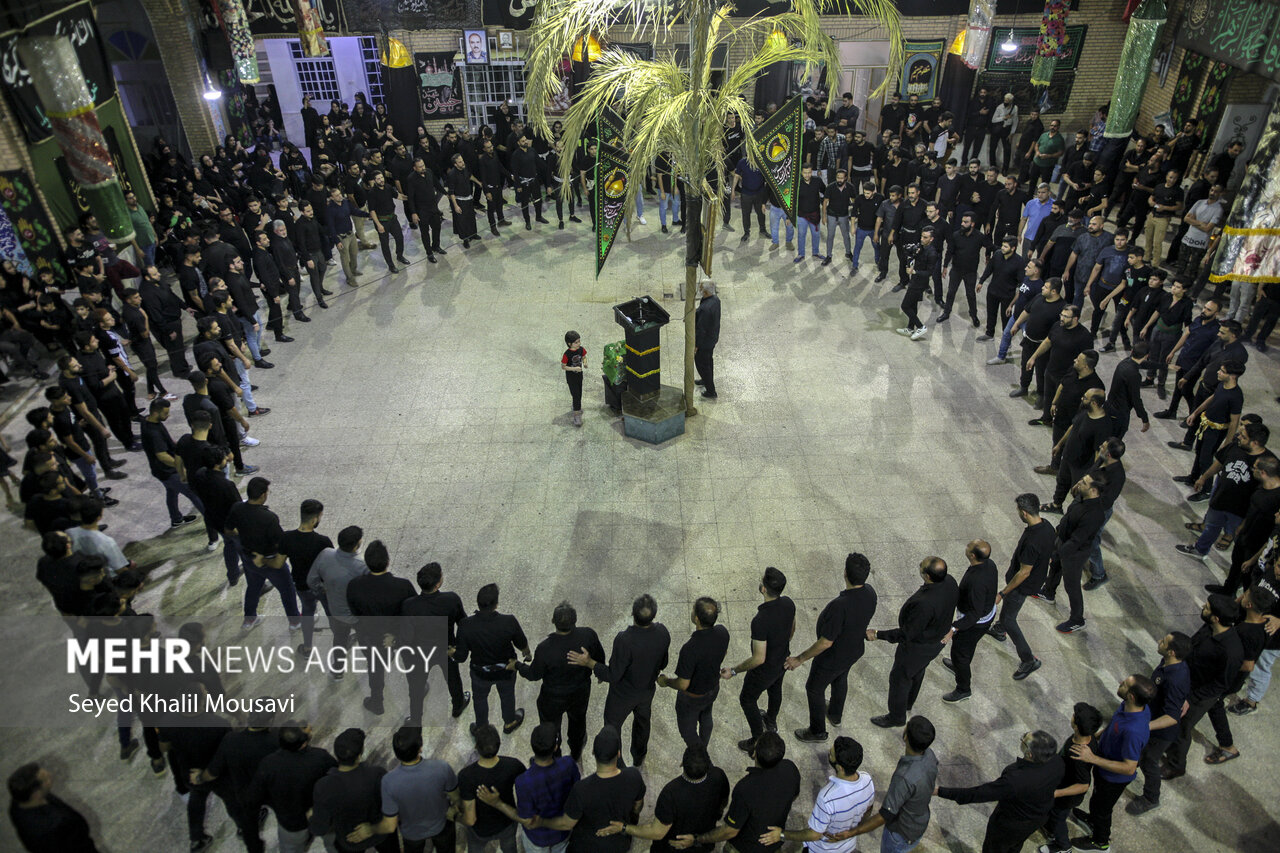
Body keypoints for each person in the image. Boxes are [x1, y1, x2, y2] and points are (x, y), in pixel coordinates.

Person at [569, 594, 670, 767]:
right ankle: (639, 757)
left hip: (622, 695)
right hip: (646, 691)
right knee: (643, 723)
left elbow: (613, 675)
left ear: (632, 613)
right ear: (654, 615)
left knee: (612, 725)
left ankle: (618, 762)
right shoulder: (663, 632)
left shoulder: (624, 640)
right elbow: (664, 663)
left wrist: (589, 662)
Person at [786, 553, 877, 742]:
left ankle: (817, 732)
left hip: (832, 657)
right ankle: (835, 714)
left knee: (814, 689)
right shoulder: (870, 593)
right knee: (840, 678)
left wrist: (799, 659)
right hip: (853, 650)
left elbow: (826, 642)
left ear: (845, 573)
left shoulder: (840, 606)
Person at [669, 731, 798, 853]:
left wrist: (697, 839)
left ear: (754, 753)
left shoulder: (746, 788)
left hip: (746, 848)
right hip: (773, 845)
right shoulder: (791, 769)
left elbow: (730, 831)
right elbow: (793, 796)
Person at [867, 556, 959, 727]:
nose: (919, 565)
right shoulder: (950, 582)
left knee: (899, 679)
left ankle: (896, 717)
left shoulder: (925, 604)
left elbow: (907, 634)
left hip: (918, 647)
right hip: (935, 642)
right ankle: (908, 702)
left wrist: (878, 634)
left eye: (921, 566)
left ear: (928, 576)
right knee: (918, 671)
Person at [936, 730, 1063, 853]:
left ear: (1030, 754)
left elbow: (979, 793)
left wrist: (940, 791)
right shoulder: (1057, 762)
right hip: (1038, 818)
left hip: (1011, 824)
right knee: (1015, 845)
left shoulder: (1016, 780)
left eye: (1024, 739)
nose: (1022, 739)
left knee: (995, 848)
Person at [1069, 675, 1156, 851]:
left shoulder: (1133, 731)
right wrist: (1097, 736)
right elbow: (1114, 725)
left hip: (1112, 779)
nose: (1120, 683)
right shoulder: (1129, 706)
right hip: (1104, 766)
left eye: (1124, 684)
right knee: (1096, 803)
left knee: (1102, 810)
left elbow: (1129, 767)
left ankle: (1100, 842)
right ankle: (1092, 820)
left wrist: (1092, 758)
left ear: (1131, 696)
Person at [518, 601, 605, 762]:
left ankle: (555, 754)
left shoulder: (545, 648)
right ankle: (576, 751)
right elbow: (599, 655)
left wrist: (518, 666)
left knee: (550, 727)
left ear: (553, 621)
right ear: (575, 621)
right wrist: (600, 673)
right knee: (578, 721)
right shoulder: (588, 635)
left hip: (552, 698)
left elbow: (533, 674)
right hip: (580, 693)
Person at [720, 567, 794, 754]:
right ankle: (771, 720)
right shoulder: (788, 603)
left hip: (764, 671)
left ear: (764, 589)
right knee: (775, 690)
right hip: (782, 661)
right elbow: (792, 627)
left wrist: (734, 670)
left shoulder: (761, 620)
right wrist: (781, 646)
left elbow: (758, 658)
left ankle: (757, 740)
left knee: (747, 700)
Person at [355, 727, 458, 853]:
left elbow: (390, 826)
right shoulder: (441, 768)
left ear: (396, 754)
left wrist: (371, 829)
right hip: (441, 825)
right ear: (420, 748)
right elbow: (456, 797)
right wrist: (455, 810)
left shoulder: (388, 781)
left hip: (411, 833)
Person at [542, 726, 646, 849]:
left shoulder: (581, 789)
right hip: (619, 844)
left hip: (587, 845)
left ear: (593, 752)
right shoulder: (634, 776)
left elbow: (567, 824)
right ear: (618, 754)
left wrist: (541, 821)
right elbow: (637, 807)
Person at [1126, 632, 1192, 816]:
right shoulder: (1169, 664)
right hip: (1151, 716)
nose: (1158, 641)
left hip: (1160, 732)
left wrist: (1145, 727)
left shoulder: (1175, 679)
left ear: (1171, 652)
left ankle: (1151, 798)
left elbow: (1171, 717)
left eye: (1163, 641)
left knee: (1149, 762)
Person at [347, 540, 416, 715]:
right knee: (409, 660)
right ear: (388, 561)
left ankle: (377, 702)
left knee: (375, 667)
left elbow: (355, 612)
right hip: (397, 635)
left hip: (369, 637)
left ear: (367, 563)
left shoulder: (354, 586)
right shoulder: (403, 586)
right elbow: (413, 612)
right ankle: (419, 688)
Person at [247, 722, 339, 853]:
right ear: (304, 744)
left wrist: (276, 804)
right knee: (334, 844)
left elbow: (254, 796)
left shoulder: (268, 764)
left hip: (291, 822)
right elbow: (337, 779)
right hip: (322, 815)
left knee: (291, 848)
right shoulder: (320, 757)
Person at [225, 476, 301, 632]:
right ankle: (294, 621)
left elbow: (228, 530)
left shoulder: (237, 508)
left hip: (249, 558)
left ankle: (249, 619)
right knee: (287, 590)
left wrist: (244, 536)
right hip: (269, 560)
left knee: (253, 587)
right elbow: (280, 543)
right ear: (262, 495)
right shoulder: (269, 518)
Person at [454, 582, 532, 734]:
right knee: (507, 695)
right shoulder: (508, 621)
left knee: (480, 699)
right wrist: (527, 653)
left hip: (480, 673)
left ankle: (481, 728)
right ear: (496, 604)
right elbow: (522, 643)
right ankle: (509, 722)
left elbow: (461, 657)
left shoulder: (465, 625)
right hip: (506, 670)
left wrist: (451, 652)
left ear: (478, 603)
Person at [402, 561, 472, 722]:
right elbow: (463, 623)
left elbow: (407, 634)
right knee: (453, 678)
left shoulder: (409, 605)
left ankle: (415, 719)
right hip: (446, 649)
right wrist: (460, 647)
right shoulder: (451, 599)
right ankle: (458, 705)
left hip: (420, 652)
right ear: (438, 583)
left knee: (416, 686)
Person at [307, 728, 397, 853]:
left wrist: (311, 816)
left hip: (350, 841)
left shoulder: (324, 786)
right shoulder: (377, 774)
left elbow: (319, 829)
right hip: (380, 833)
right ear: (359, 756)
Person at [658, 596, 730, 749]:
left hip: (692, 698)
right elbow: (723, 653)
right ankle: (704, 744)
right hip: (713, 688)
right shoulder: (722, 632)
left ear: (696, 619)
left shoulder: (690, 649)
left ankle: (699, 754)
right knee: (706, 716)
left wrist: (666, 681)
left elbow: (683, 684)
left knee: (687, 730)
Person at [508, 723, 580, 853]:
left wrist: (497, 803)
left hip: (538, 838)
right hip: (562, 832)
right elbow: (577, 792)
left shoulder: (523, 782)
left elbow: (526, 818)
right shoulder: (568, 764)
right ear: (555, 747)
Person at [1041, 703, 1103, 853]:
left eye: (1074, 716)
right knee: (1053, 813)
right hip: (1062, 782)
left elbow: (1083, 785)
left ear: (1076, 726)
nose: (1072, 716)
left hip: (1066, 796)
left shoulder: (1078, 755)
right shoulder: (1087, 738)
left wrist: (1056, 793)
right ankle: (1049, 827)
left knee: (1058, 818)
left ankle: (1063, 846)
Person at [941, 540, 998, 703]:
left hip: (974, 624)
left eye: (968, 546)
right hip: (986, 614)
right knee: (967, 648)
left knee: (960, 653)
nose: (966, 545)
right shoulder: (989, 564)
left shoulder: (976, 582)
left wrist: (954, 628)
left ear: (972, 555)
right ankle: (958, 666)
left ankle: (963, 689)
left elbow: (974, 614)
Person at [458, 724, 526, 853]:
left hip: (481, 830)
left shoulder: (466, 776)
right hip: (507, 823)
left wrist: (456, 816)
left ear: (476, 746)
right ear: (499, 744)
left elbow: (471, 820)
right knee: (509, 848)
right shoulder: (514, 765)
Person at [7, 763, 100, 853]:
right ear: (36, 794)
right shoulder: (56, 824)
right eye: (46, 779)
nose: (50, 776)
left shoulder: (18, 803)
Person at [139, 398, 202, 530]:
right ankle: (213, 521)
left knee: (172, 492)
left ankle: (176, 519)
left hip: (159, 471)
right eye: (165, 413)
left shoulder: (147, 420)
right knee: (193, 493)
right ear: (155, 413)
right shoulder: (154, 433)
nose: (168, 415)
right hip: (168, 471)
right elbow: (162, 456)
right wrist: (180, 467)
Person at [1104, 340, 1151, 438]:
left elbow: (1143, 364)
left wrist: (1164, 366)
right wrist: (1145, 419)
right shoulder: (1134, 375)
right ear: (1147, 356)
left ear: (1132, 351)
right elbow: (1136, 399)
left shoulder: (1124, 362)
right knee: (1115, 439)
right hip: (1120, 412)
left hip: (1109, 406)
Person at [897, 227, 936, 341]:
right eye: (922, 236)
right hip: (914, 280)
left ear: (931, 239)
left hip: (919, 283)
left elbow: (930, 272)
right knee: (913, 305)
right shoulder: (921, 247)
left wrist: (914, 272)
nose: (922, 239)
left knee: (905, 306)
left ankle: (920, 327)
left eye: (925, 237)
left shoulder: (932, 253)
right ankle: (910, 328)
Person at [694, 282, 720, 400]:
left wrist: (696, 345)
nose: (699, 290)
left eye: (700, 289)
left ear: (705, 292)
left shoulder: (705, 309)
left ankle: (711, 391)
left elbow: (701, 330)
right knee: (708, 361)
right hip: (712, 337)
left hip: (705, 342)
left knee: (702, 364)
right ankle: (706, 380)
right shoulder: (715, 300)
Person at [562, 331, 585, 427]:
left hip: (579, 376)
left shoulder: (581, 349)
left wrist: (585, 362)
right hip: (571, 378)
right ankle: (576, 415)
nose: (579, 344)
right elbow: (563, 367)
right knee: (576, 395)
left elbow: (584, 356)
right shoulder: (567, 354)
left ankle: (576, 406)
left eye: (579, 341)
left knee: (579, 394)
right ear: (569, 344)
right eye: (576, 342)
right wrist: (574, 369)